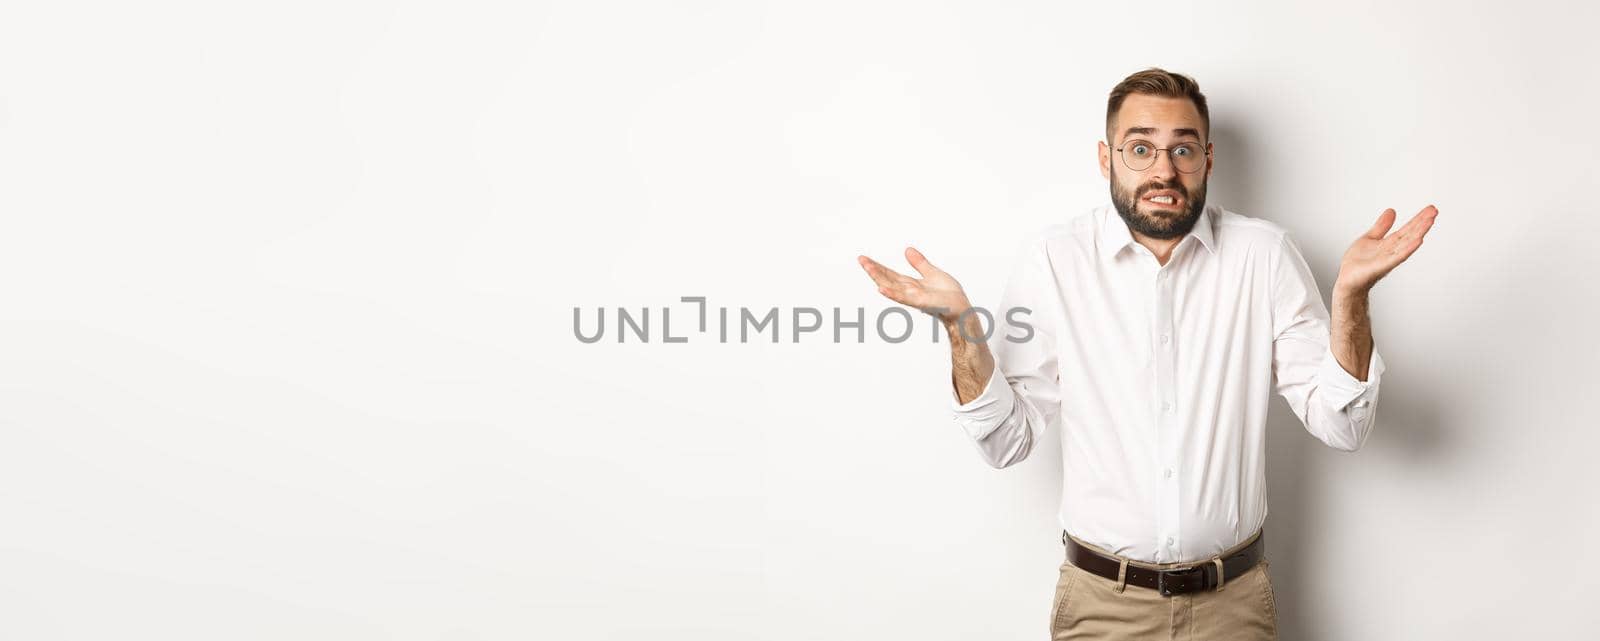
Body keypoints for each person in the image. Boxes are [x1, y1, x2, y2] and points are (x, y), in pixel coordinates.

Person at [856, 68, 1438, 640]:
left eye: (1182, 149)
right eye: (1141, 148)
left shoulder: (1263, 255)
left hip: (1234, 609)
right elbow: (1007, 440)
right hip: (1101, 609)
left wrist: (1352, 299)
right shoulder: (1056, 261)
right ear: (1107, 159)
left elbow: (1343, 425)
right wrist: (962, 331)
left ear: (1207, 159)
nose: (1164, 169)